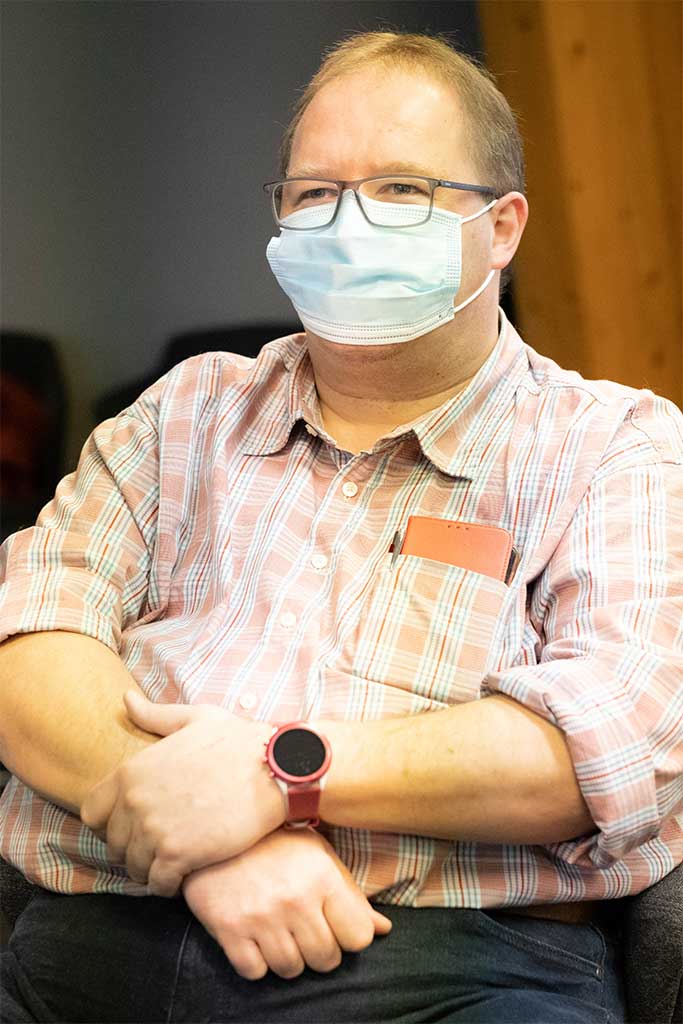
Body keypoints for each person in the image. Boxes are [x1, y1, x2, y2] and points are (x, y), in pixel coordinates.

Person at [0, 29, 681, 1024]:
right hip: (90, 956)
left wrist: (279, 780)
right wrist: (214, 842)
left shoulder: (612, 444)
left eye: (401, 189)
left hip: (448, 977)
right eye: (314, 193)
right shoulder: (183, 413)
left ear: (501, 228)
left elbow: (611, 742)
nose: (348, 224)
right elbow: (28, 640)